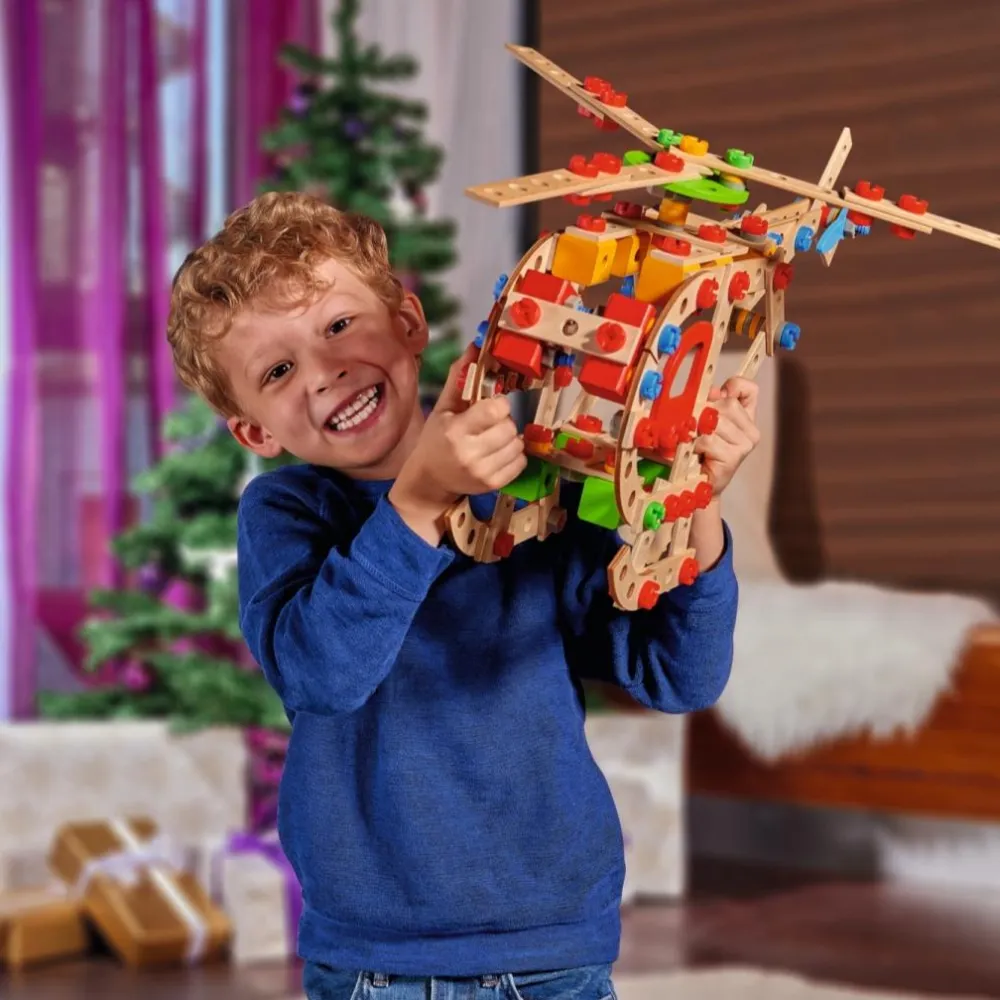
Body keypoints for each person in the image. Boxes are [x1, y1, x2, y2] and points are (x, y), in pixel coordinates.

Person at [167, 191, 761, 999]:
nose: (325, 370)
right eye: (277, 370)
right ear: (256, 432)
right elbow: (321, 674)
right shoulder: (286, 513)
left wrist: (697, 503)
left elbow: (679, 675)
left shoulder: (537, 487)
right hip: (378, 962)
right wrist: (418, 502)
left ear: (408, 324)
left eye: (339, 325)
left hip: (555, 946)